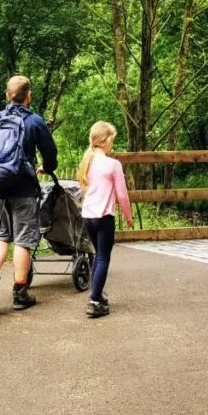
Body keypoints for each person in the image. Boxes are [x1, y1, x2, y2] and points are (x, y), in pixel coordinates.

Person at [0, 75, 58, 312]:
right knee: (23, 239)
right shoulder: (34, 121)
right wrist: (48, 167)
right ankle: (20, 292)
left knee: (1, 236)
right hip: (23, 187)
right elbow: (50, 153)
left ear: (7, 95)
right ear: (28, 96)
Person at [77, 121, 133, 318]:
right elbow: (122, 195)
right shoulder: (113, 165)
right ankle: (94, 301)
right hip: (104, 217)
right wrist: (128, 216)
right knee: (102, 257)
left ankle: (98, 295)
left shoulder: (87, 162)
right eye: (112, 140)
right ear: (106, 140)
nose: (112, 143)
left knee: (98, 256)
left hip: (88, 217)